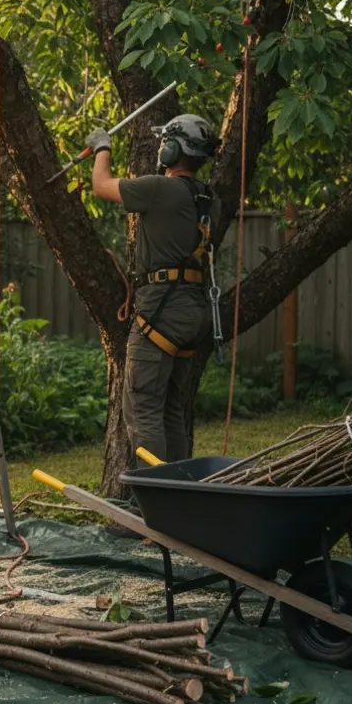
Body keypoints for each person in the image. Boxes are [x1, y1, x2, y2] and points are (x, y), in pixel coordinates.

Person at [87, 114, 221, 466]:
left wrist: (102, 146)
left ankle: (154, 497)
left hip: (160, 312)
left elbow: (101, 186)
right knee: (172, 410)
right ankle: (179, 493)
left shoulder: (161, 190)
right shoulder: (209, 198)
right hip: (192, 314)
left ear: (171, 149)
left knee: (143, 411)